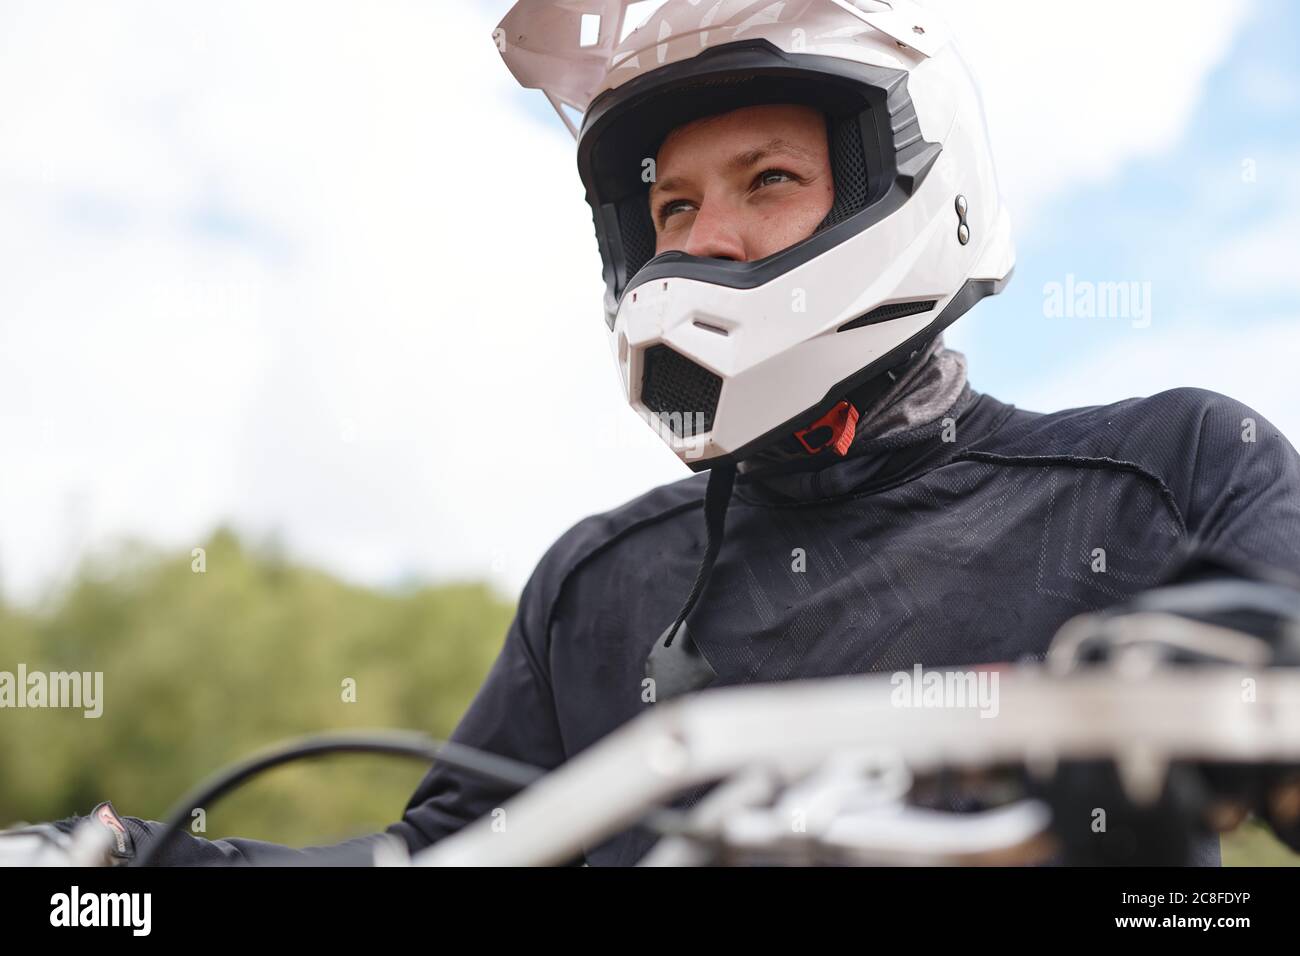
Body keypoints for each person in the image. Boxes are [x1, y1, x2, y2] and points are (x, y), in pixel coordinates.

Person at [9, 0, 1300, 866]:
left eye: (769, 181)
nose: (702, 240)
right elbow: (442, 865)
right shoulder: (599, 585)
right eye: (670, 208)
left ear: (917, 184)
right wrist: (138, 866)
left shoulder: (1168, 476)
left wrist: (1229, 667)